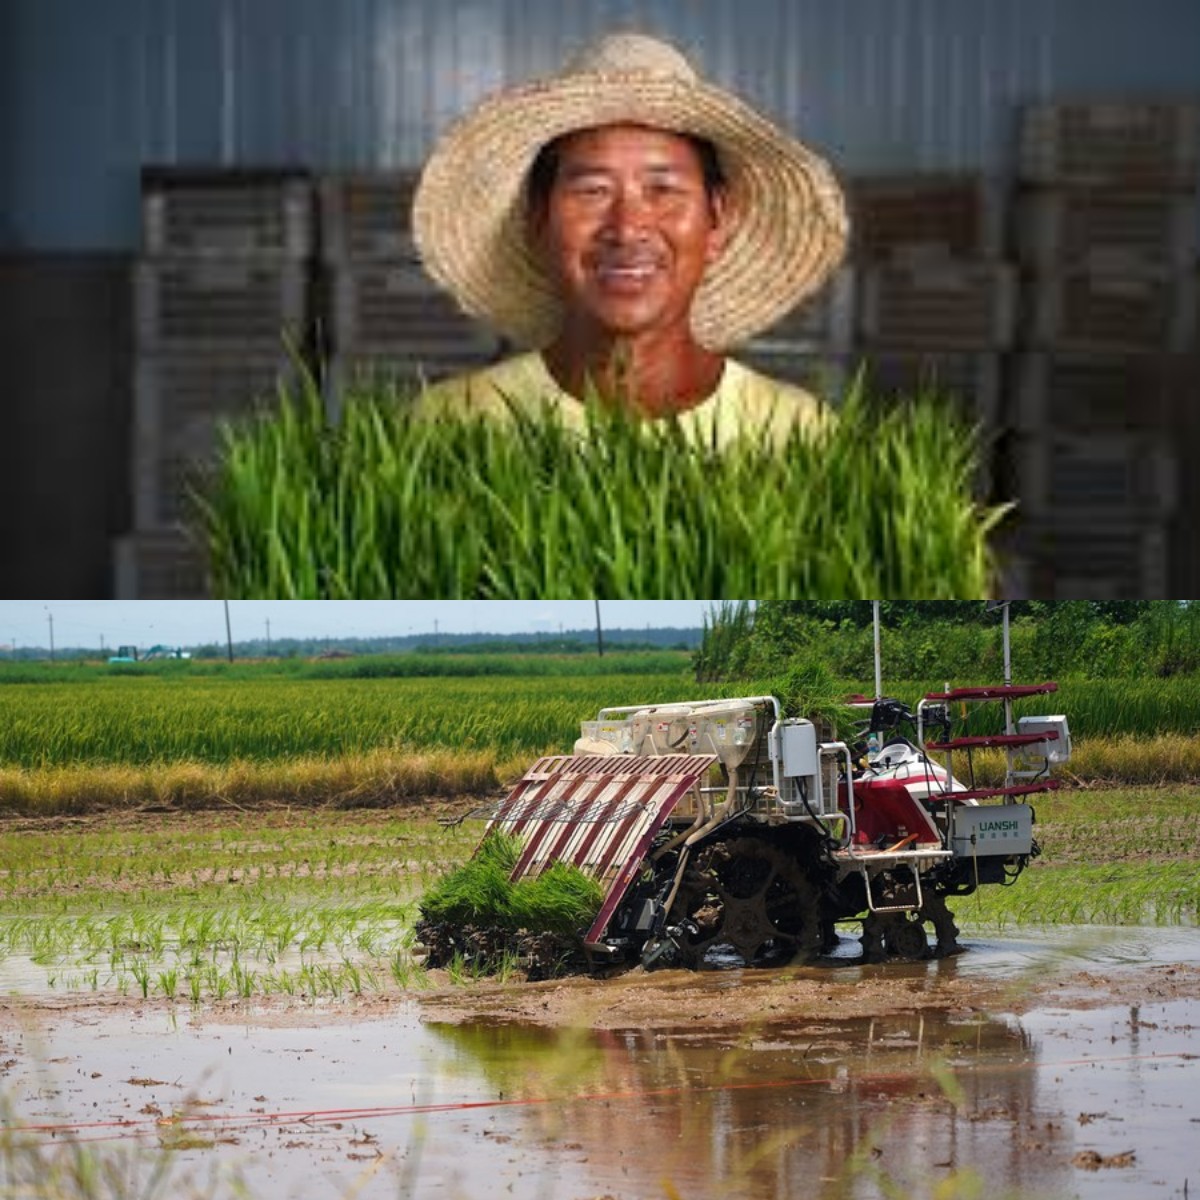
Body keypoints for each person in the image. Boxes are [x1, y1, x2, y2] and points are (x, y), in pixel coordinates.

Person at [411, 31, 848, 447]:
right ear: (539, 221)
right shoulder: (451, 422)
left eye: (663, 190)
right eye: (592, 191)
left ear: (717, 222)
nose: (625, 228)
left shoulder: (797, 431)